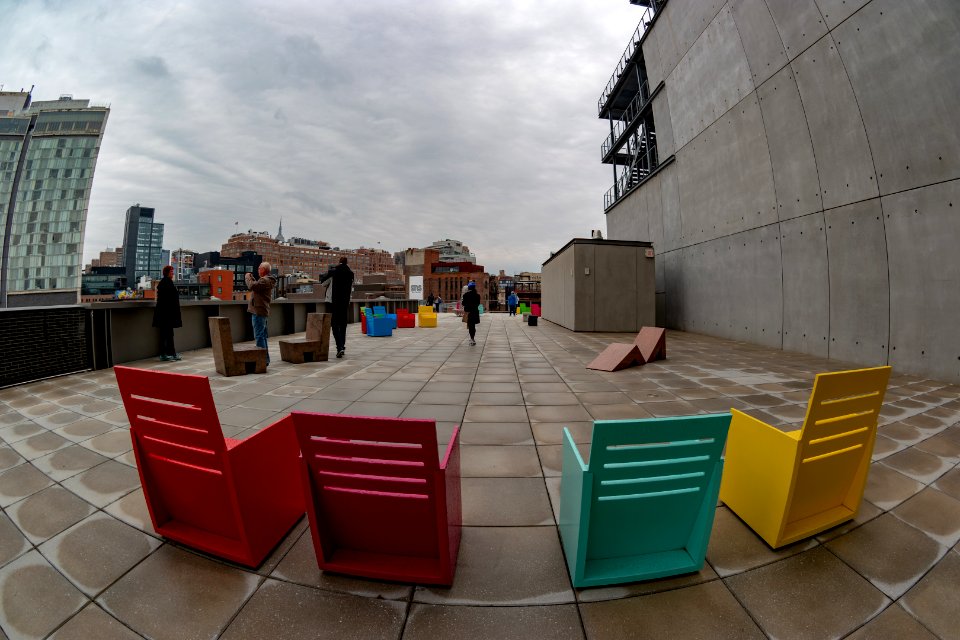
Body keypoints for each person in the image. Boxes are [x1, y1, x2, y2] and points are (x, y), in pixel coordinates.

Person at [319, 256, 354, 358]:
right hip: (344, 303)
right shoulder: (350, 273)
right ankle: (342, 345)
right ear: (347, 263)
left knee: (334, 324)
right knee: (343, 325)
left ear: (339, 262)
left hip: (333, 302)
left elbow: (323, 283)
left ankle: (339, 347)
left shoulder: (334, 272)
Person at [245, 262, 276, 366]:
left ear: (264, 269)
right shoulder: (266, 280)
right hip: (261, 311)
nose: (258, 269)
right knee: (262, 336)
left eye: (259, 268)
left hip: (258, 311)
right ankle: (265, 359)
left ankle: (262, 360)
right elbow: (256, 287)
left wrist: (248, 277)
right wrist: (253, 279)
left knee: (259, 336)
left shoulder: (265, 280)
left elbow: (251, 286)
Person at [153, 265, 182, 361]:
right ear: (167, 273)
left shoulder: (164, 282)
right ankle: (169, 354)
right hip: (167, 315)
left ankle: (166, 354)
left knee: (165, 334)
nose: (173, 273)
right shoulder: (167, 283)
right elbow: (169, 300)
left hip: (164, 314)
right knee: (168, 334)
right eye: (171, 272)